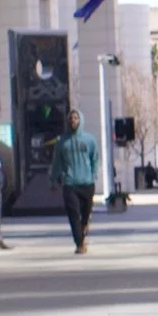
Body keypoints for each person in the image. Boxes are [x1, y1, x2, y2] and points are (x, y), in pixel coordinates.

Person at [51, 108, 100, 252]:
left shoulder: (89, 140)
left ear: (81, 120)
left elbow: (95, 158)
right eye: (71, 118)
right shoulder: (62, 141)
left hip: (87, 183)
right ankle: (79, 244)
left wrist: (93, 174)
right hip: (70, 183)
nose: (73, 121)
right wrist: (53, 180)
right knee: (73, 214)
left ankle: (84, 233)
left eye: (76, 118)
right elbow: (57, 162)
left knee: (85, 215)